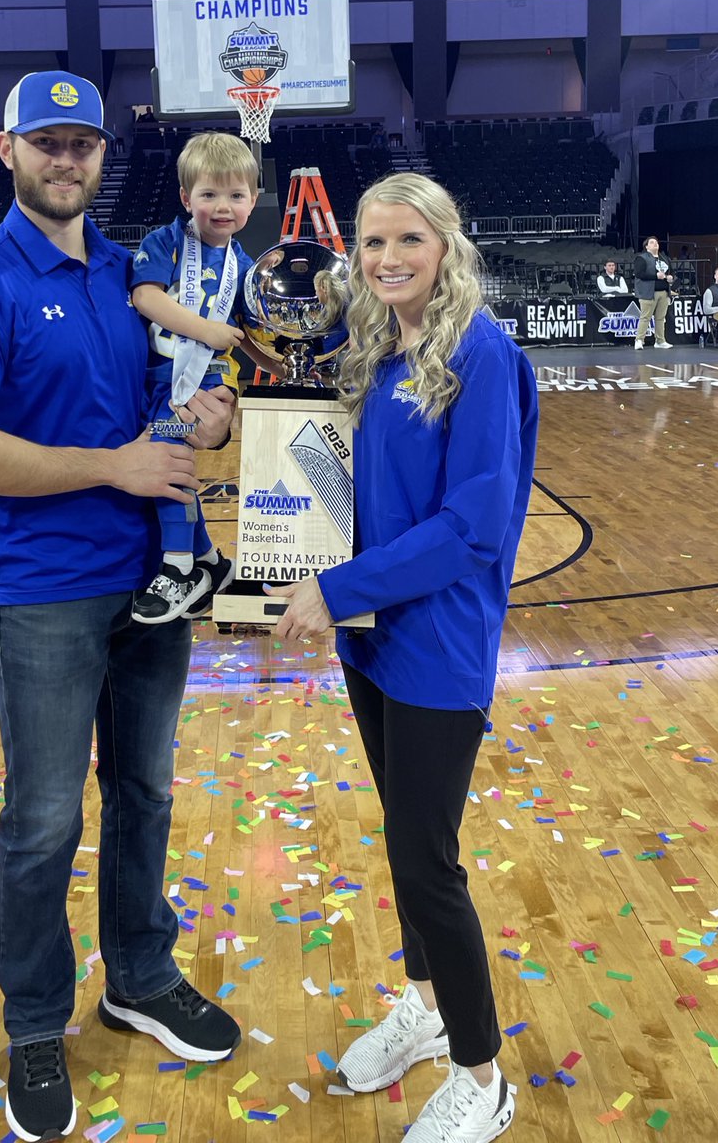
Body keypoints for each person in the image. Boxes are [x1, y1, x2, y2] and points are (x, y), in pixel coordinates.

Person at [0, 68, 240, 1143]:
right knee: (44, 820)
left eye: (83, 145)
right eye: (45, 143)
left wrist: (210, 412)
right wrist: (116, 469)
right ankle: (38, 1023)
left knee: (143, 794)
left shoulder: (123, 274)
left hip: (149, 584)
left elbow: (161, 415)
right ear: (6, 151)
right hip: (46, 592)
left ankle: (137, 976)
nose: (65, 161)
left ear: (104, 157)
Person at [272, 173, 537, 1143]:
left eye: (405, 242)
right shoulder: (375, 343)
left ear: (446, 246)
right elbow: (321, 454)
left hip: (437, 643)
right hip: (374, 641)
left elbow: (470, 529)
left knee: (425, 865)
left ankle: (481, 1074)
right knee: (400, 838)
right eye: (370, 244)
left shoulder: (480, 354)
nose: (385, 259)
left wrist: (331, 591)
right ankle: (423, 1010)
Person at [128, 131, 263, 623]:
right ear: (187, 198)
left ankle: (180, 566)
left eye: (235, 195)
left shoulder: (246, 268)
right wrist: (209, 329)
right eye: (209, 194)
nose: (222, 206)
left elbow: (249, 335)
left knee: (169, 464)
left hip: (200, 389)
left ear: (253, 201)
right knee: (174, 468)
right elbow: (147, 298)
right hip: (158, 381)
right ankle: (209, 561)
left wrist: (279, 363)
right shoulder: (163, 242)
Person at [632, 235, 674, 349]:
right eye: (651, 242)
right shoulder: (642, 258)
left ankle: (660, 340)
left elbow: (671, 272)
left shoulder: (664, 258)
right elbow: (639, 274)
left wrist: (670, 277)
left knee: (660, 318)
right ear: (646, 247)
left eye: (656, 242)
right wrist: (655, 276)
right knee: (645, 317)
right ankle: (639, 340)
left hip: (663, 292)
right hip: (648, 292)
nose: (655, 244)